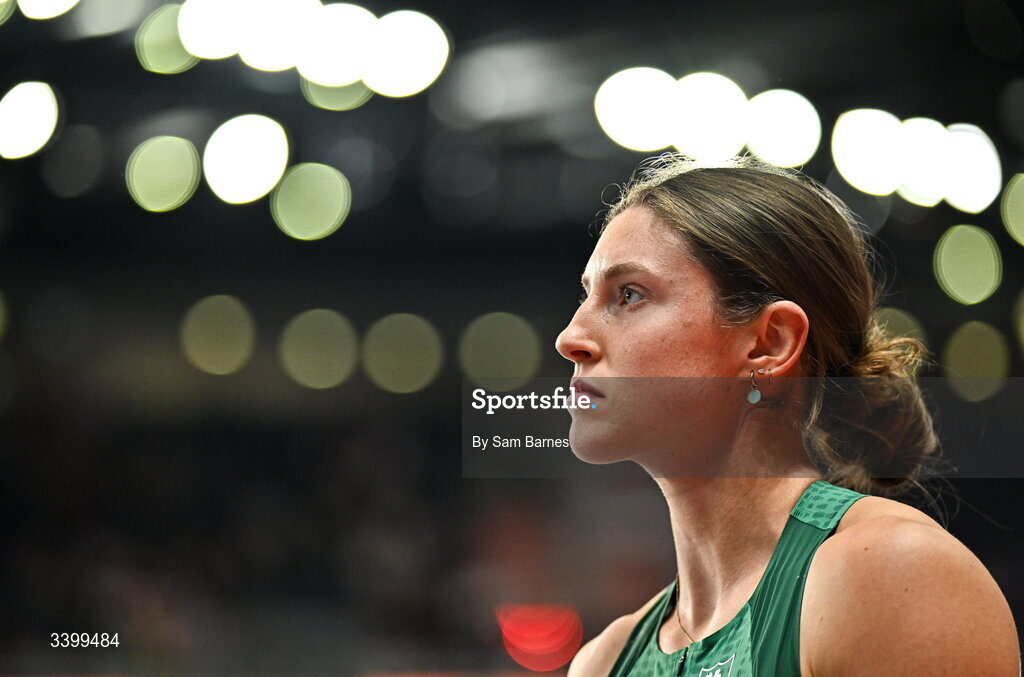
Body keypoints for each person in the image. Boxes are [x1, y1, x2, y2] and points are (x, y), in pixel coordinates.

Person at [555, 155, 1020, 676]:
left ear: (769, 344)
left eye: (629, 295)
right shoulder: (601, 661)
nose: (570, 338)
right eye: (586, 295)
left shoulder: (888, 573)